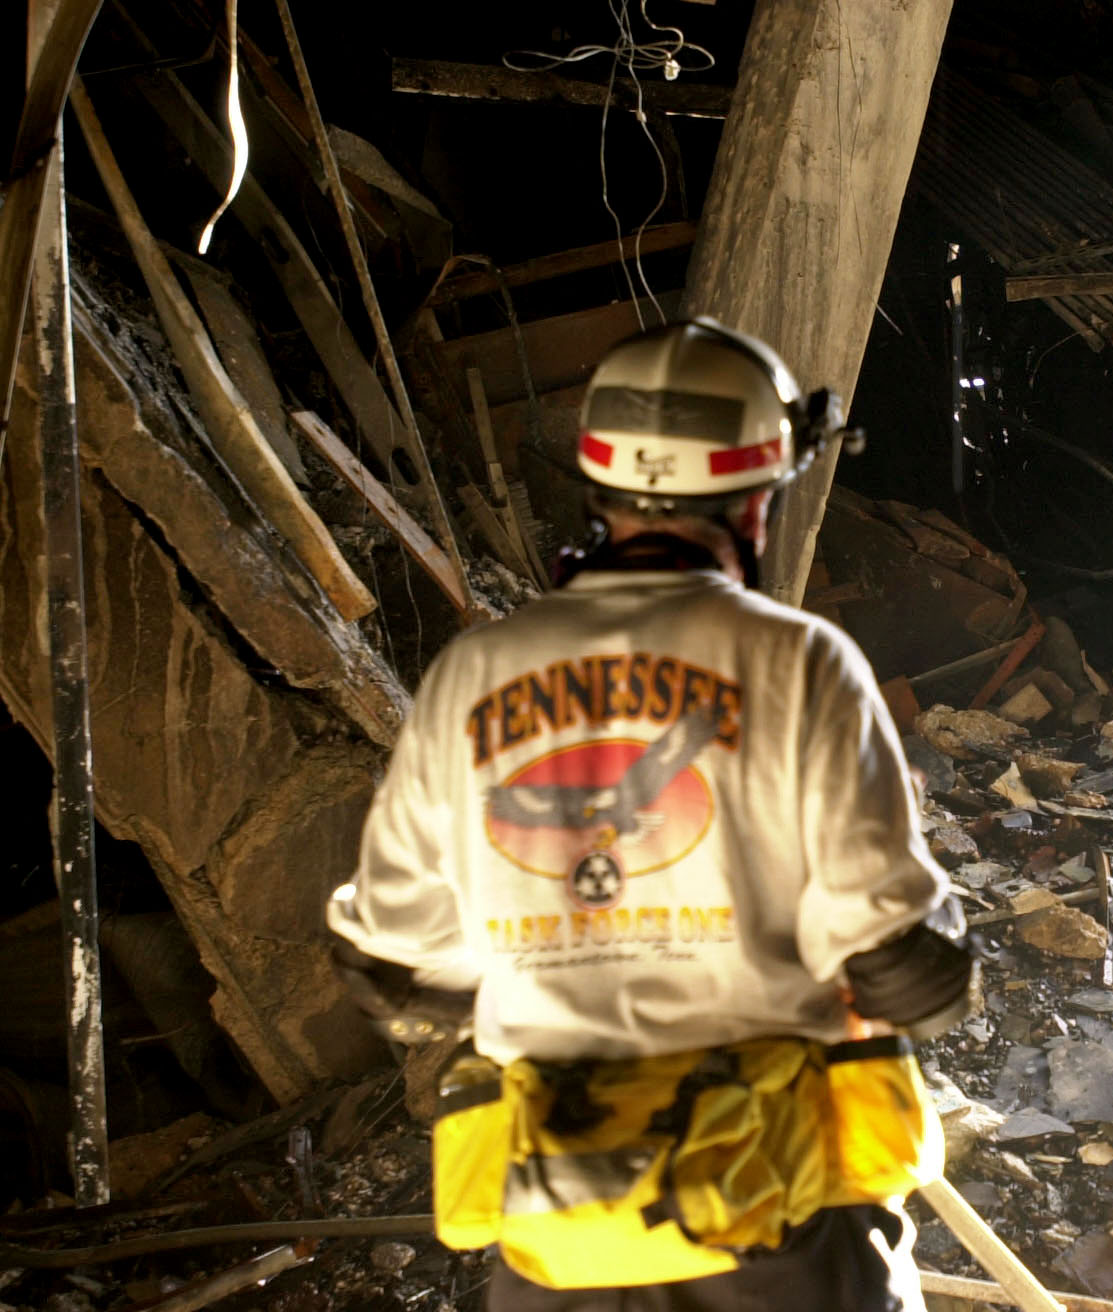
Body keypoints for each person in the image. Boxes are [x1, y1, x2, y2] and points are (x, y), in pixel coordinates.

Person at [327, 318, 973, 1311]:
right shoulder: (801, 664)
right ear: (758, 494)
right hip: (776, 1226)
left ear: (599, 484)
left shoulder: (471, 677)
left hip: (559, 1238)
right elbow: (901, 965)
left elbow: (393, 963)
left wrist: (558, 970)